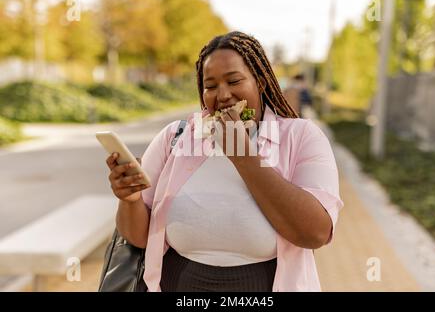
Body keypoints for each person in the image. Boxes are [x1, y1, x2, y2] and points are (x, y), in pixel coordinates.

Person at [105, 31, 343, 292]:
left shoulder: (302, 136)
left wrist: (244, 157)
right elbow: (139, 237)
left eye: (234, 81)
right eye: (210, 86)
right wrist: (129, 201)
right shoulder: (175, 137)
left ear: (261, 83)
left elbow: (315, 233)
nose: (223, 95)